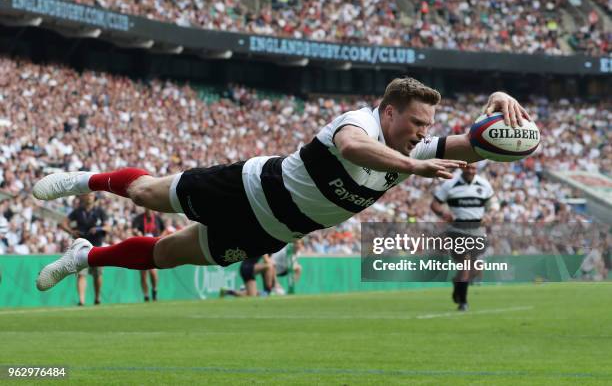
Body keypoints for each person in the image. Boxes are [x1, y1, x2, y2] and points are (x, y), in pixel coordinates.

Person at [33, 77, 531, 292]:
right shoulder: (358, 121)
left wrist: (498, 100)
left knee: (165, 256)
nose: (424, 134)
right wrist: (417, 167)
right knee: (146, 194)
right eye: (417, 123)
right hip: (249, 189)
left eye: (428, 126)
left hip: (270, 233)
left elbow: (476, 142)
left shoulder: (411, 150)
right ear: (389, 111)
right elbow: (356, 149)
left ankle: (82, 257)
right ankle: (81, 180)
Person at [430, 163, 494, 311]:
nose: (471, 171)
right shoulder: (450, 184)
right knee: (465, 265)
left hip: (477, 230)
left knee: (475, 268)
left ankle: (457, 283)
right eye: (468, 168)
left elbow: (493, 205)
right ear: (462, 168)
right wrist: (444, 214)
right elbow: (435, 204)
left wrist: (490, 215)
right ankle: (463, 302)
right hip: (457, 230)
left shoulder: (484, 184)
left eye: (473, 168)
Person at [60, 193, 110, 305]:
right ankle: (81, 300)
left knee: (97, 274)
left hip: (97, 247)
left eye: (91, 195)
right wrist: (71, 232)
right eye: (87, 195)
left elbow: (108, 227)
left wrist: (98, 228)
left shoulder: (100, 211)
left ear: (94, 197)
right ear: (82, 197)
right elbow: (63, 223)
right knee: (81, 274)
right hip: (81, 247)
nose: (89, 197)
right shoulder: (77, 211)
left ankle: (97, 298)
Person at [132, 208, 165, 302]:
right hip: (141, 248)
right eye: (146, 207)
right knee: (143, 274)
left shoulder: (158, 218)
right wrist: (136, 232)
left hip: (154, 247)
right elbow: (133, 229)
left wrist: (160, 238)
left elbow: (164, 230)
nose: (148, 209)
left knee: (153, 273)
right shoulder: (138, 218)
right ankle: (146, 296)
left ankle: (154, 290)